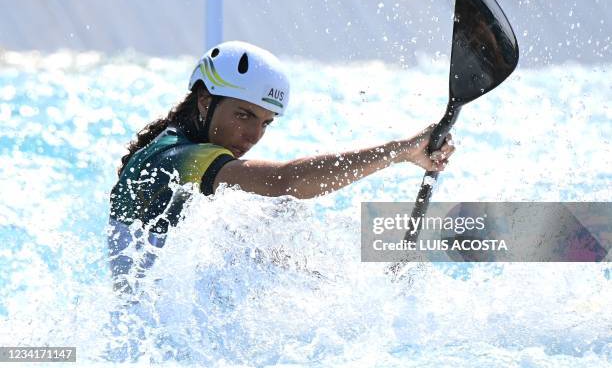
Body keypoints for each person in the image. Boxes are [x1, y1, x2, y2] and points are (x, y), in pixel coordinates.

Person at [107, 41, 455, 291]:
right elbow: (284, 181)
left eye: (266, 122)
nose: (253, 135)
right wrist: (399, 151)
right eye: (243, 115)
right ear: (204, 100)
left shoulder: (176, 147)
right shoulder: (181, 157)